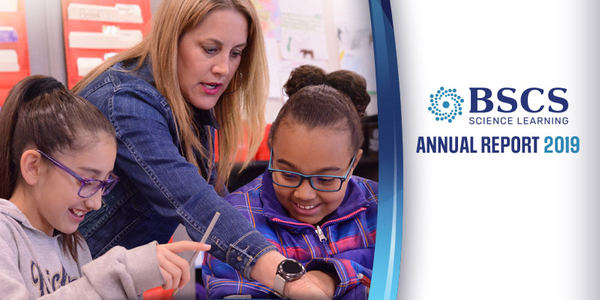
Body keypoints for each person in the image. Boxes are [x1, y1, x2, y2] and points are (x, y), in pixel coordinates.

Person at [71, 0, 328, 298]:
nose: (224, 68)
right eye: (209, 49)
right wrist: (291, 279)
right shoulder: (126, 102)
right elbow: (195, 202)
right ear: (171, 39)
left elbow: (221, 206)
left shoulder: (188, 101)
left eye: (236, 53)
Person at [0, 75, 210, 299]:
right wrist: (122, 272)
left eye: (104, 184)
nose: (96, 202)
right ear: (34, 167)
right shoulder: (6, 235)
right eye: (87, 182)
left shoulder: (73, 244)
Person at [202, 65, 378, 299]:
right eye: (289, 175)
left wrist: (332, 277)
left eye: (325, 179)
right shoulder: (236, 217)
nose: (304, 194)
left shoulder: (384, 207)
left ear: (353, 162)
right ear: (271, 148)